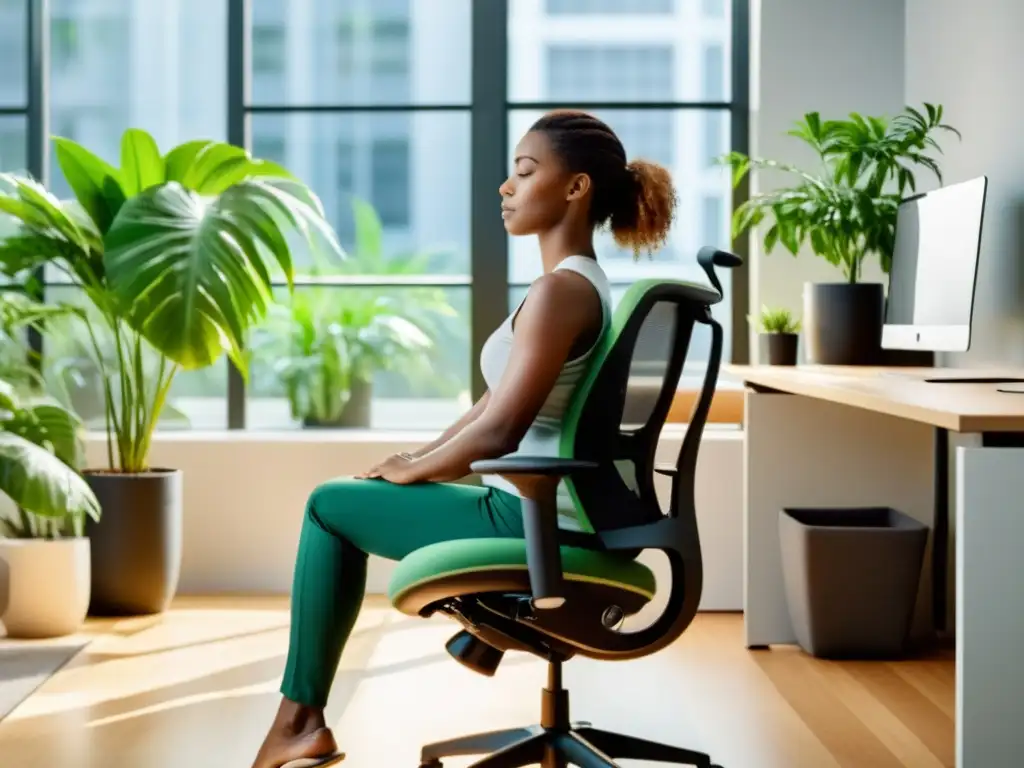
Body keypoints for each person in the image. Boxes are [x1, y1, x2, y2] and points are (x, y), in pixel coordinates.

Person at [251, 109, 678, 768]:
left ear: (576, 188)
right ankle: (473, 642)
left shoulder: (562, 292)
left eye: (525, 171)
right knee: (365, 489)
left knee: (326, 507)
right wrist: (415, 461)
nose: (507, 187)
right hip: (542, 505)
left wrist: (418, 472)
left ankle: (298, 720)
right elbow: (488, 409)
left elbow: (503, 428)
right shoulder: (572, 287)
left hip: (528, 513)